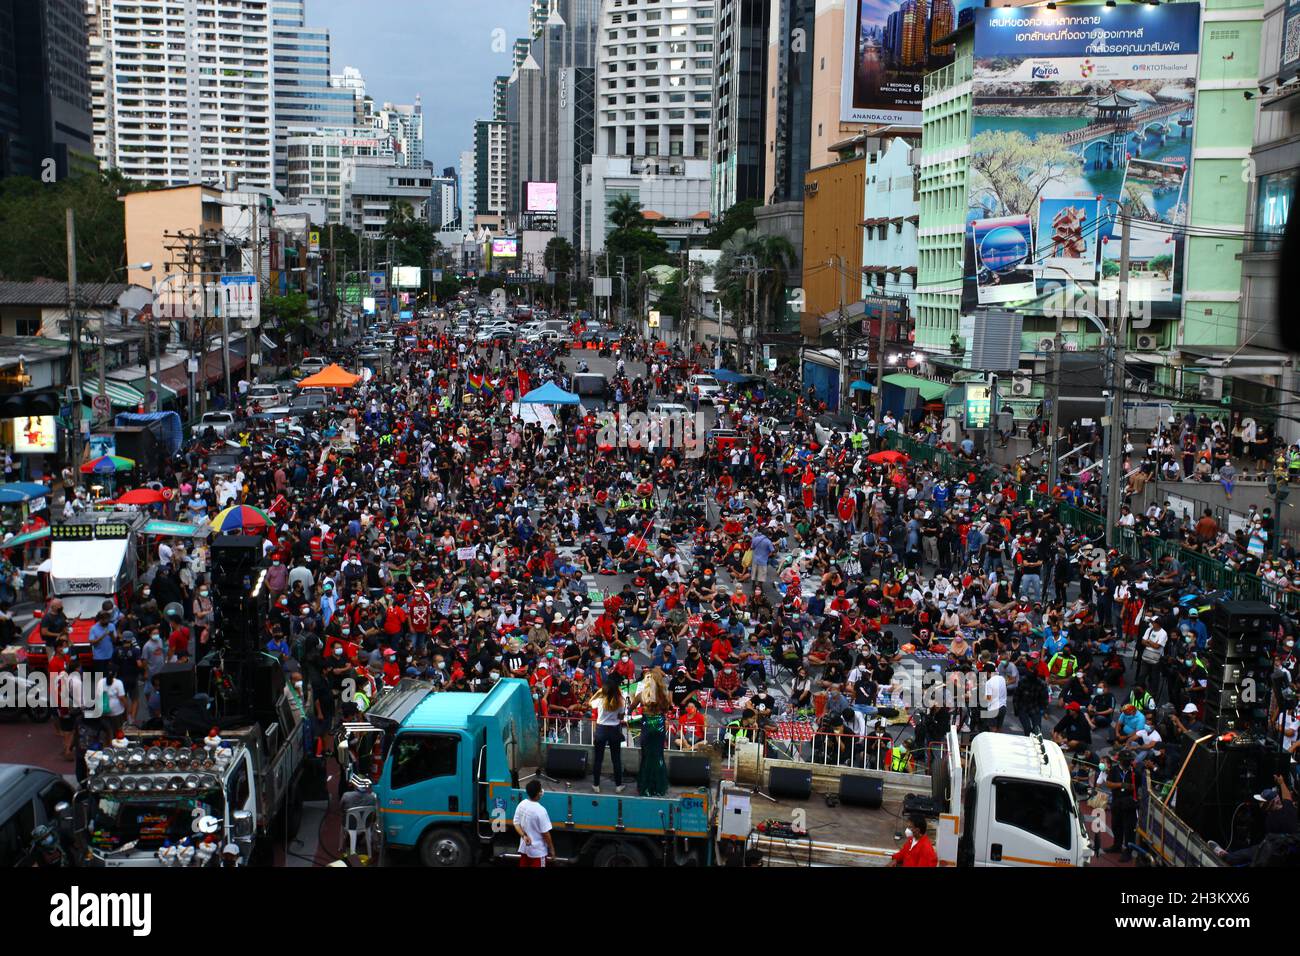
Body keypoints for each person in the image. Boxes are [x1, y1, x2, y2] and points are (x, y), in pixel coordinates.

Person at [636, 664, 670, 797]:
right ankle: (659, 787)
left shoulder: (642, 695)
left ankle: (646, 788)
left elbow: (631, 708)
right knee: (658, 756)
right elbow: (667, 709)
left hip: (647, 727)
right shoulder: (663, 695)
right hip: (659, 728)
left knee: (646, 757)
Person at [589, 674, 627, 793]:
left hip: (601, 730)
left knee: (598, 759)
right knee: (616, 759)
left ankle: (596, 785)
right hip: (614, 730)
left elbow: (590, 703)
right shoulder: (621, 700)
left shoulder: (600, 699)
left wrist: (598, 692)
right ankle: (618, 785)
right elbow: (621, 716)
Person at [512, 778, 555, 867]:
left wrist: (523, 836)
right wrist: (552, 849)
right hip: (538, 853)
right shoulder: (541, 811)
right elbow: (545, 833)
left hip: (525, 849)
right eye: (540, 790)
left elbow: (516, 823)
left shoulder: (522, 804)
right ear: (538, 793)